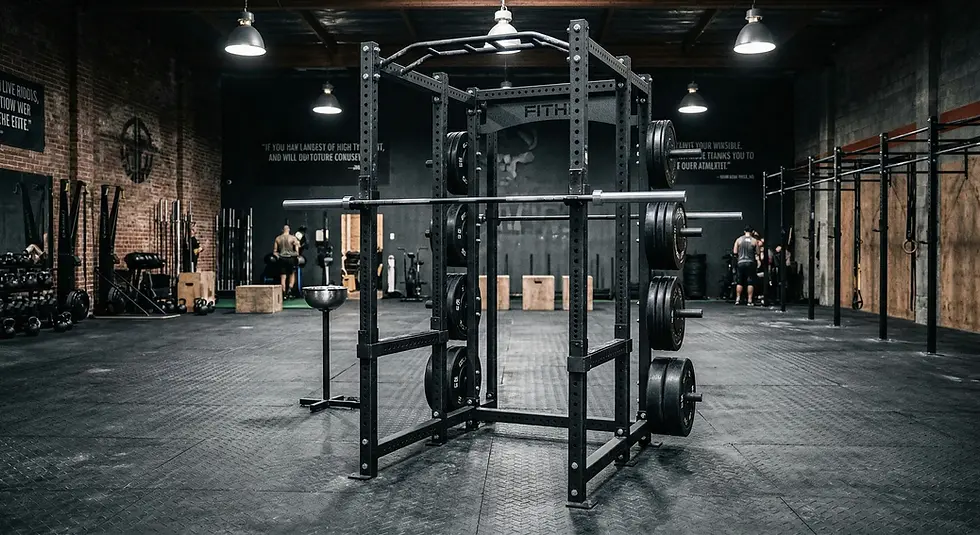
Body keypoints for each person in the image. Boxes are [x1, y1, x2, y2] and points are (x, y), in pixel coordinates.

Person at [273, 225, 302, 298]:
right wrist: (297, 254)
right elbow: (297, 250)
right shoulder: (293, 238)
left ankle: (283, 292)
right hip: (291, 258)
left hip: (282, 258)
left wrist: (278, 257)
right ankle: (290, 289)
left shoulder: (278, 238)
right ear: (288, 229)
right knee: (292, 274)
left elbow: (275, 252)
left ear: (282, 230)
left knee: (283, 276)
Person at [732, 226, 759, 306]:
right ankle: (750, 301)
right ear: (752, 232)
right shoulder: (754, 241)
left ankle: (738, 299)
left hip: (741, 262)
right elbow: (757, 252)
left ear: (744, 231)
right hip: (750, 262)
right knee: (750, 282)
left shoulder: (739, 240)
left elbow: (735, 252)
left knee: (739, 281)